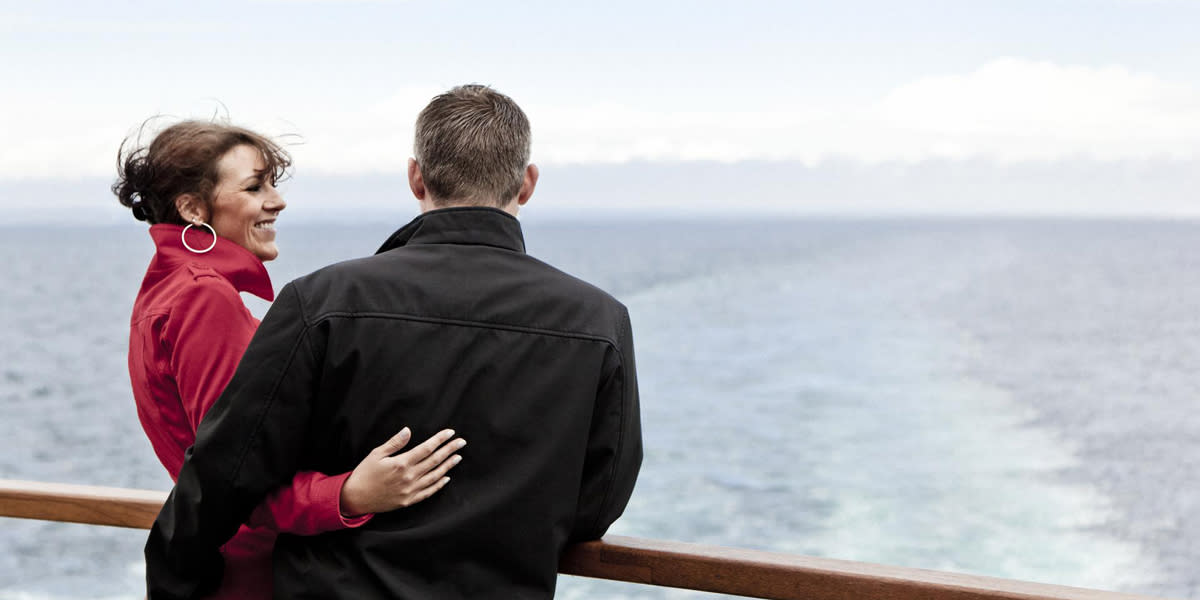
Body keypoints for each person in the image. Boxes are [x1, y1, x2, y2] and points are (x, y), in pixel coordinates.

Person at [144, 85, 643, 599]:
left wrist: (172, 579)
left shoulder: (320, 301)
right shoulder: (602, 321)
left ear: (416, 178)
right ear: (527, 183)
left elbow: (228, 473)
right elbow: (597, 504)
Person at [114, 120, 464, 599]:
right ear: (194, 208)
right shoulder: (202, 298)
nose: (276, 201)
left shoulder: (168, 289)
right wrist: (350, 494)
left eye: (273, 184)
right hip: (248, 577)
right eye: (255, 187)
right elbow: (232, 475)